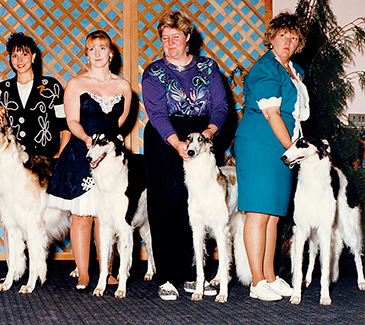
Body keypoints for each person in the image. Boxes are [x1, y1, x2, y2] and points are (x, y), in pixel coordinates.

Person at [142, 10, 229, 301]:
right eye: (165, 38)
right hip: (164, 136)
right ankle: (167, 275)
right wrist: (176, 143)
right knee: (166, 203)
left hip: (201, 137)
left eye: (175, 37)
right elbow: (155, 112)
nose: (170, 43)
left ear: (188, 37)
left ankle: (194, 273)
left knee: (195, 206)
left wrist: (209, 133)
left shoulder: (208, 67)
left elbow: (220, 106)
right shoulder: (153, 71)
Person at [46, 30, 132, 292]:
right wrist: (87, 139)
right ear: (86, 55)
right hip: (82, 154)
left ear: (111, 53)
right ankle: (83, 273)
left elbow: (119, 122)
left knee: (105, 216)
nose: (97, 54)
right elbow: (71, 121)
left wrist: (108, 147)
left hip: (111, 160)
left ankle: (106, 272)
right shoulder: (75, 84)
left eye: (102, 48)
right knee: (82, 215)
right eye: (91, 49)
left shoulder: (123, 86)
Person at [233, 12, 309, 301]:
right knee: (258, 212)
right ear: (272, 38)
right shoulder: (265, 69)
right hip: (259, 143)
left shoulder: (295, 70)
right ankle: (256, 281)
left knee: (274, 215)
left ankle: (270, 276)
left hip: (282, 144)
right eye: (282, 36)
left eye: (293, 37)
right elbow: (272, 113)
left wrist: (291, 146)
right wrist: (293, 147)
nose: (288, 41)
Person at [0, 32, 70, 158]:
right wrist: (0, 114)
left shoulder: (52, 86)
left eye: (24, 54)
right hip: (14, 159)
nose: (19, 60)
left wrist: (62, 153)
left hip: (46, 158)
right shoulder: (1, 90)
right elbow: (1, 129)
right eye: (14, 56)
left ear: (33, 57)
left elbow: (65, 123)